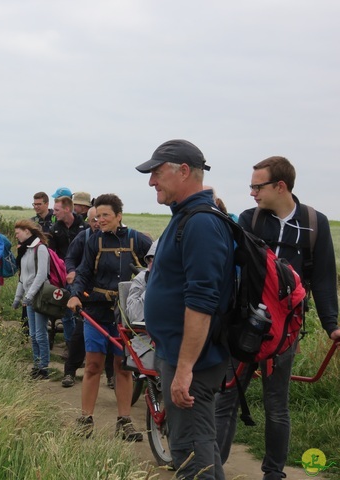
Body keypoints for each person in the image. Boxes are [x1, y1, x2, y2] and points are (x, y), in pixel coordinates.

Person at [215, 156, 340, 480]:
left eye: (258, 186)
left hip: (285, 331)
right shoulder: (249, 219)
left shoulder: (315, 223)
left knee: (276, 404)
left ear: (279, 186)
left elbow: (324, 278)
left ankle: (274, 473)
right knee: (227, 398)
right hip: (244, 325)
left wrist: (331, 325)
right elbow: (230, 268)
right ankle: (212, 469)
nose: (252, 192)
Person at [136, 139, 235, 479]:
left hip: (191, 361)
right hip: (181, 356)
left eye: (156, 173)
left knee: (192, 455)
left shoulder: (200, 224)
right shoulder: (188, 218)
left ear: (183, 171)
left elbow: (201, 303)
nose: (151, 182)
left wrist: (184, 369)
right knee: (195, 448)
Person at [67, 193, 152, 441]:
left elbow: (156, 268)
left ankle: (124, 422)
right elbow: (83, 273)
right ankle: (85, 420)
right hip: (96, 311)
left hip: (125, 315)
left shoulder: (138, 240)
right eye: (98, 215)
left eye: (105, 215)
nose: (100, 220)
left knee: (123, 368)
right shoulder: (94, 241)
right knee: (93, 365)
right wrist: (75, 295)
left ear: (119, 216)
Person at [61, 207, 115, 389]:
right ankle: (69, 371)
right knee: (80, 333)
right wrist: (72, 271)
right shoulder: (84, 237)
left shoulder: (116, 238)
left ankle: (111, 376)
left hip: (110, 296)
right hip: (86, 291)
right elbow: (70, 257)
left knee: (113, 336)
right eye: (94, 220)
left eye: (100, 218)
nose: (97, 223)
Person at [12, 219, 51, 379]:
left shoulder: (40, 249)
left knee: (40, 334)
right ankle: (37, 365)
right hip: (29, 298)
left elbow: (41, 275)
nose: (16, 236)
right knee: (33, 335)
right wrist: (18, 297)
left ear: (27, 231)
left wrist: (28, 296)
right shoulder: (25, 251)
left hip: (39, 297)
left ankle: (44, 367)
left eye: (18, 232)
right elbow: (23, 277)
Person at [50, 195, 87, 352]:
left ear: (67, 209)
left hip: (82, 275)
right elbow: (52, 253)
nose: (54, 212)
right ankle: (70, 345)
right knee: (66, 311)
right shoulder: (55, 228)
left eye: (57, 210)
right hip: (63, 275)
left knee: (81, 312)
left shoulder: (83, 227)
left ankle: (82, 346)